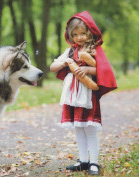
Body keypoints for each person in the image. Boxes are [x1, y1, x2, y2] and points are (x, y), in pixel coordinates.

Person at [50, 11, 117, 175]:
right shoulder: (70, 52)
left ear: (90, 33)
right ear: (70, 35)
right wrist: (64, 62)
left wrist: (87, 68)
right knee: (79, 128)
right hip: (73, 97)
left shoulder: (95, 50)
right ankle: (83, 160)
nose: (79, 37)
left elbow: (103, 69)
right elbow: (52, 68)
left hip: (88, 95)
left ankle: (94, 162)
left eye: (83, 33)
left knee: (90, 127)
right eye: (75, 34)